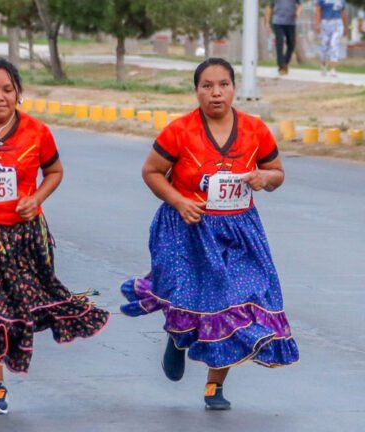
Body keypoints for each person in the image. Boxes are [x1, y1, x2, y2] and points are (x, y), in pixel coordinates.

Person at [0, 57, 110, 415]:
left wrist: (36, 199)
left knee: (16, 310)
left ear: (19, 94)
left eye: (7, 90)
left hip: (23, 239)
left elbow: (55, 171)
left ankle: (8, 351)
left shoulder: (37, 132)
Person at [119, 58, 299, 411]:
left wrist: (265, 179)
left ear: (234, 88)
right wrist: (178, 200)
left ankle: (214, 386)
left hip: (238, 230)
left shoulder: (255, 129)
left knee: (231, 304)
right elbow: (152, 171)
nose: (216, 92)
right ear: (197, 90)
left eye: (223, 85)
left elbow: (276, 171)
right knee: (189, 297)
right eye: (207, 86)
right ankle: (178, 335)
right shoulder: (180, 131)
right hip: (188, 227)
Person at [265, 0, 301, 75]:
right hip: (278, 22)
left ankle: (285, 62)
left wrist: (298, 12)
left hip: (291, 23)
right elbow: (270, 8)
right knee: (279, 43)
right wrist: (267, 23)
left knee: (291, 43)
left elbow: (300, 5)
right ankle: (281, 65)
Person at [315, 0, 348, 77]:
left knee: (334, 44)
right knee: (324, 46)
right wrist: (317, 24)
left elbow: (343, 12)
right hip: (325, 22)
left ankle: (333, 68)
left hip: (337, 23)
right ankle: (323, 65)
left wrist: (345, 26)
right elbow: (318, 10)